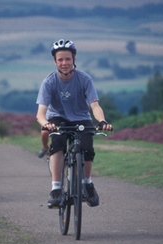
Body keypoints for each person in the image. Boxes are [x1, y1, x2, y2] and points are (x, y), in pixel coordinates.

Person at [36, 39, 113, 208]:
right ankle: (56, 189)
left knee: (87, 146)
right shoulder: (49, 82)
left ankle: (87, 184)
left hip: (81, 117)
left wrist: (102, 121)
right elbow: (41, 114)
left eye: (68, 59)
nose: (64, 63)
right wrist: (47, 124)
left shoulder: (85, 79)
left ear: (74, 59)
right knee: (57, 142)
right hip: (57, 117)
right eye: (60, 60)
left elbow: (95, 105)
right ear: (55, 61)